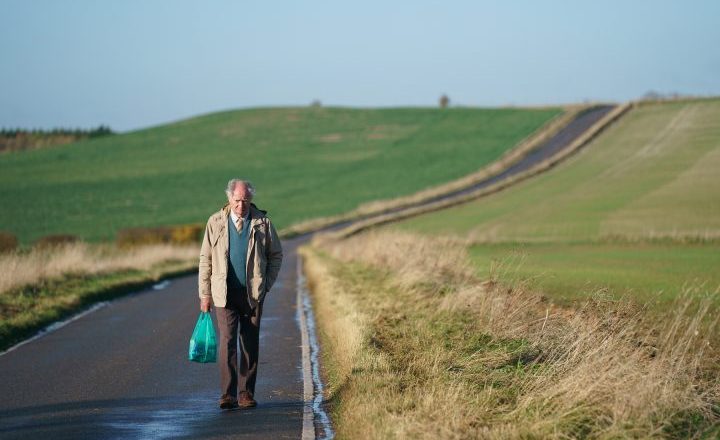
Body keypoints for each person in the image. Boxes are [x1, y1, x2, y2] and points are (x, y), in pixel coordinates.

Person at [198, 179, 283, 410]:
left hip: (252, 294)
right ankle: (227, 394)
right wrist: (204, 295)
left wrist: (265, 285)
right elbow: (205, 260)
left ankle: (246, 394)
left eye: (245, 200)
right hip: (224, 293)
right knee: (227, 342)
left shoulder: (263, 223)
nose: (241, 205)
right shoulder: (215, 222)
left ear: (251, 200)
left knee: (249, 343)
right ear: (229, 199)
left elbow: (276, 255)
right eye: (237, 200)